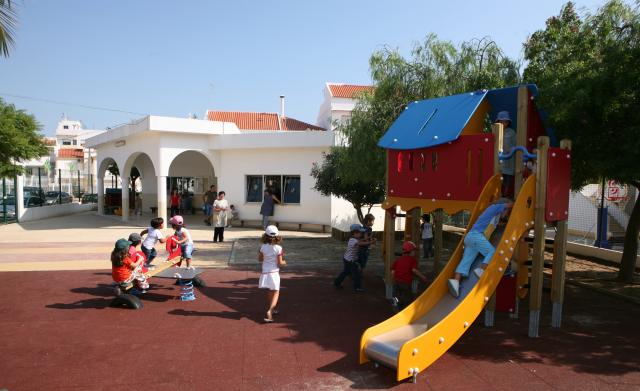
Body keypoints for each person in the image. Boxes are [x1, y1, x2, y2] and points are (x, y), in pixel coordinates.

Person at [448, 198, 514, 298]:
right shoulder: (495, 207)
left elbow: (494, 223)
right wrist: (516, 203)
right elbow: (510, 204)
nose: (507, 215)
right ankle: (481, 270)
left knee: (466, 261)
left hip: (471, 238)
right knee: (492, 252)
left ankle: (455, 281)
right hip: (476, 236)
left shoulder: (494, 216)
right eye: (507, 212)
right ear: (503, 207)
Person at [258, 225, 286, 323]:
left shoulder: (262, 247)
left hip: (265, 272)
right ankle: (270, 311)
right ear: (277, 236)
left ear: (265, 235)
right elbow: (280, 263)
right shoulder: (279, 248)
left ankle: (272, 309)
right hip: (274, 272)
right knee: (276, 291)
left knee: (270, 291)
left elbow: (260, 259)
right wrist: (285, 262)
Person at [391, 241, 428, 311]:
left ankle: (396, 308)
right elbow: (414, 270)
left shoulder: (398, 259)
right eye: (414, 251)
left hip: (397, 282)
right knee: (407, 298)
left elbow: (393, 271)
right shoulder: (412, 260)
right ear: (410, 251)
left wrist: (394, 280)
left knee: (396, 296)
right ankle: (405, 311)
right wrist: (423, 277)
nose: (415, 253)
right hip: (406, 283)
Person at [334, 224, 368, 292]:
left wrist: (366, 238)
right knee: (355, 273)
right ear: (355, 233)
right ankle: (357, 287)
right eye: (360, 233)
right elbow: (360, 244)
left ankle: (337, 283)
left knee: (347, 272)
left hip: (348, 259)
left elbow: (360, 241)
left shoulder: (354, 239)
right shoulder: (353, 240)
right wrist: (370, 242)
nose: (361, 234)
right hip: (349, 260)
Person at [496, 111, 516, 199]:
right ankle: (499, 194)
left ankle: (505, 195)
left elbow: (516, 144)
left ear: (508, 122)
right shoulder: (496, 131)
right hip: (498, 160)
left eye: (505, 121)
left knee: (507, 178)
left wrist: (511, 149)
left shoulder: (511, 132)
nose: (503, 123)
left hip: (509, 160)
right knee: (499, 178)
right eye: (501, 121)